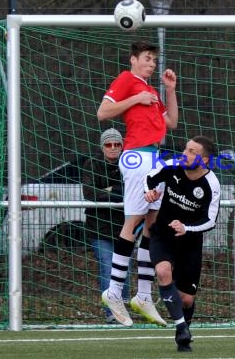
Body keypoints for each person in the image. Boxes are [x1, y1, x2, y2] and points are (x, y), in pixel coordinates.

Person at [97, 41, 179, 327]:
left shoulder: (152, 90)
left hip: (154, 158)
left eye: (154, 60)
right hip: (135, 157)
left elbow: (172, 122)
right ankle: (114, 291)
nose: (151, 64)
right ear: (133, 59)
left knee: (152, 225)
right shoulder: (126, 80)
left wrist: (169, 91)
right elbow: (103, 113)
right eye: (147, 58)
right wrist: (135, 99)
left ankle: (143, 294)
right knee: (132, 223)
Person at [144, 136, 221, 352]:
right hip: (162, 235)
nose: (184, 154)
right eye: (186, 149)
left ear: (204, 160)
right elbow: (150, 176)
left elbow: (210, 221)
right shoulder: (173, 166)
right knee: (163, 272)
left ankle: (184, 325)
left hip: (189, 243)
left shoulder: (211, 184)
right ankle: (181, 330)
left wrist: (186, 228)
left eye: (192, 151)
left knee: (186, 300)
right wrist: (148, 191)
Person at [81, 128, 131, 324]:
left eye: (117, 144)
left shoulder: (128, 163)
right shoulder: (91, 164)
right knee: (107, 266)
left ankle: (123, 306)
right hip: (99, 226)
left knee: (123, 269)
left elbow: (131, 190)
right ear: (102, 147)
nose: (113, 148)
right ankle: (111, 311)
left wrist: (111, 190)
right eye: (108, 144)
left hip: (124, 226)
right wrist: (117, 192)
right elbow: (90, 194)